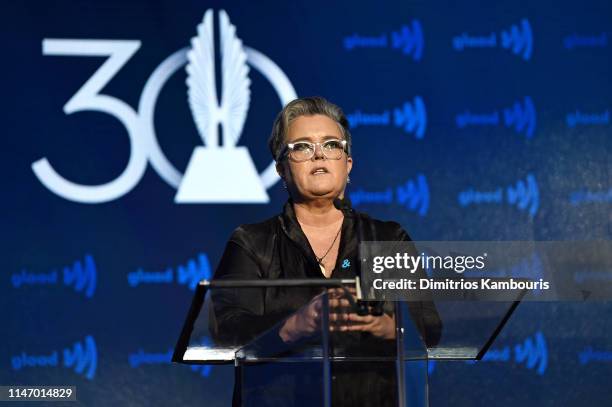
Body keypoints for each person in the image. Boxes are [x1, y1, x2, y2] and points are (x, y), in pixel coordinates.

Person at [210, 96, 441, 406]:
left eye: (332, 144)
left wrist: (389, 327)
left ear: (347, 164)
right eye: (302, 147)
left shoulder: (388, 238)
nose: (318, 155)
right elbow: (225, 332)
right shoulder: (252, 242)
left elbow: (429, 328)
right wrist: (293, 325)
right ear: (281, 168)